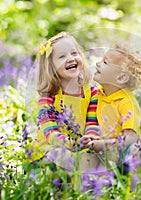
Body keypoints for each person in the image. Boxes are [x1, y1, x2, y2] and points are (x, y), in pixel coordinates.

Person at [29, 32, 100, 171]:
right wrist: (71, 144)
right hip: (51, 148)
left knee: (94, 158)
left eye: (74, 53)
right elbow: (49, 131)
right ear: (51, 67)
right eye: (62, 56)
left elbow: (93, 122)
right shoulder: (48, 97)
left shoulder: (91, 93)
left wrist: (90, 138)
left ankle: (83, 185)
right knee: (62, 157)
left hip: (80, 146)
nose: (70, 58)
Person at [79, 42, 141, 174]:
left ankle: (136, 186)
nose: (98, 64)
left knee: (139, 150)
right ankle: (94, 189)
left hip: (122, 152)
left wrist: (106, 144)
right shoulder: (97, 94)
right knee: (85, 158)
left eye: (105, 62)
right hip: (103, 152)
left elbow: (130, 138)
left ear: (121, 77)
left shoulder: (126, 102)